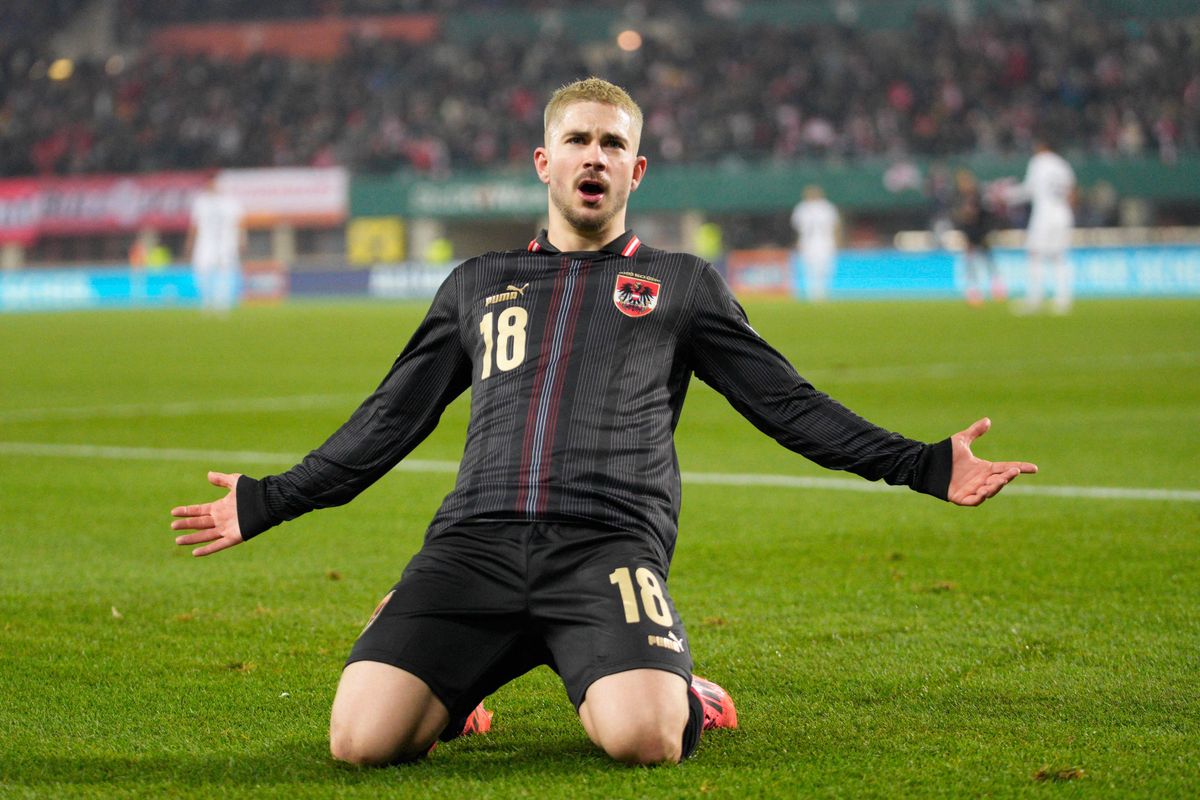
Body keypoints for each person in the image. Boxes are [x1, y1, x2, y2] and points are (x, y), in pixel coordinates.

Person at [170, 78, 1038, 768]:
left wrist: (925, 464)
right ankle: (456, 670)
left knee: (643, 740)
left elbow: (788, 405)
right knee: (358, 744)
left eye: (613, 144)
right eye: (578, 141)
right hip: (472, 543)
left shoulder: (683, 285)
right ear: (543, 162)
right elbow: (390, 419)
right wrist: (268, 500)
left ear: (636, 171)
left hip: (606, 548)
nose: (595, 157)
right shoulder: (476, 282)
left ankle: (681, 689)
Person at [1008, 136, 1076, 314]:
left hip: (1044, 213)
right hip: (1063, 213)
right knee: (1059, 257)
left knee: (1035, 254)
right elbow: (1072, 191)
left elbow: (1028, 189)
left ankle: (1034, 299)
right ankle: (1063, 301)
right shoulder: (1063, 165)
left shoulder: (1039, 162)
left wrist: (1007, 195)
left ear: (1042, 146)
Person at [185, 176, 246, 314]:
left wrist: (241, 240)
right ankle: (206, 301)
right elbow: (194, 225)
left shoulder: (231, 203)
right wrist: (189, 243)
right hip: (205, 244)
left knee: (225, 275)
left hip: (226, 244)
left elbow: (240, 223)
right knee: (201, 272)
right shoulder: (201, 202)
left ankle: (222, 304)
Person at [951, 168, 1004, 306]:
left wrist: (987, 231)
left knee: (988, 260)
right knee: (970, 263)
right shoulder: (958, 199)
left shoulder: (979, 196)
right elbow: (957, 218)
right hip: (968, 234)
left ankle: (996, 285)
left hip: (981, 232)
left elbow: (988, 215)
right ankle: (973, 291)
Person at [789, 184, 839, 302]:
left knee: (825, 267)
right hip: (808, 242)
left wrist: (836, 240)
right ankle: (813, 294)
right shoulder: (802, 208)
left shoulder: (826, 207)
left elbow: (835, 226)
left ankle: (822, 292)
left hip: (825, 241)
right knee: (810, 268)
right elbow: (798, 228)